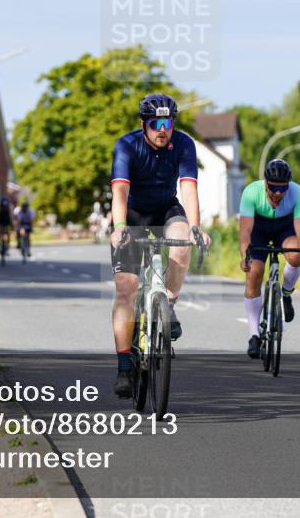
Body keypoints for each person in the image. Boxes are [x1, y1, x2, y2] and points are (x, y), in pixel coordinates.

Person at [109, 93, 212, 398]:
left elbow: (189, 189)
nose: (162, 130)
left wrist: (195, 228)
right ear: (144, 124)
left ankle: (168, 301)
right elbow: (120, 194)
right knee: (126, 288)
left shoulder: (183, 144)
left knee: (182, 245)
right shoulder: (127, 146)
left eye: (167, 123)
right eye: (156, 124)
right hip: (132, 215)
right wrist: (118, 228)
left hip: (167, 208)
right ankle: (124, 367)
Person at [238, 159, 300, 358]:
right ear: (265, 183)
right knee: (254, 270)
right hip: (259, 231)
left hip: (285, 229)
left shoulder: (298, 193)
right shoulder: (251, 192)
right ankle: (254, 334)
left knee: (296, 254)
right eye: (273, 188)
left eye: (283, 189)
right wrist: (245, 256)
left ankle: (286, 294)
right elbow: (245, 231)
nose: (278, 194)